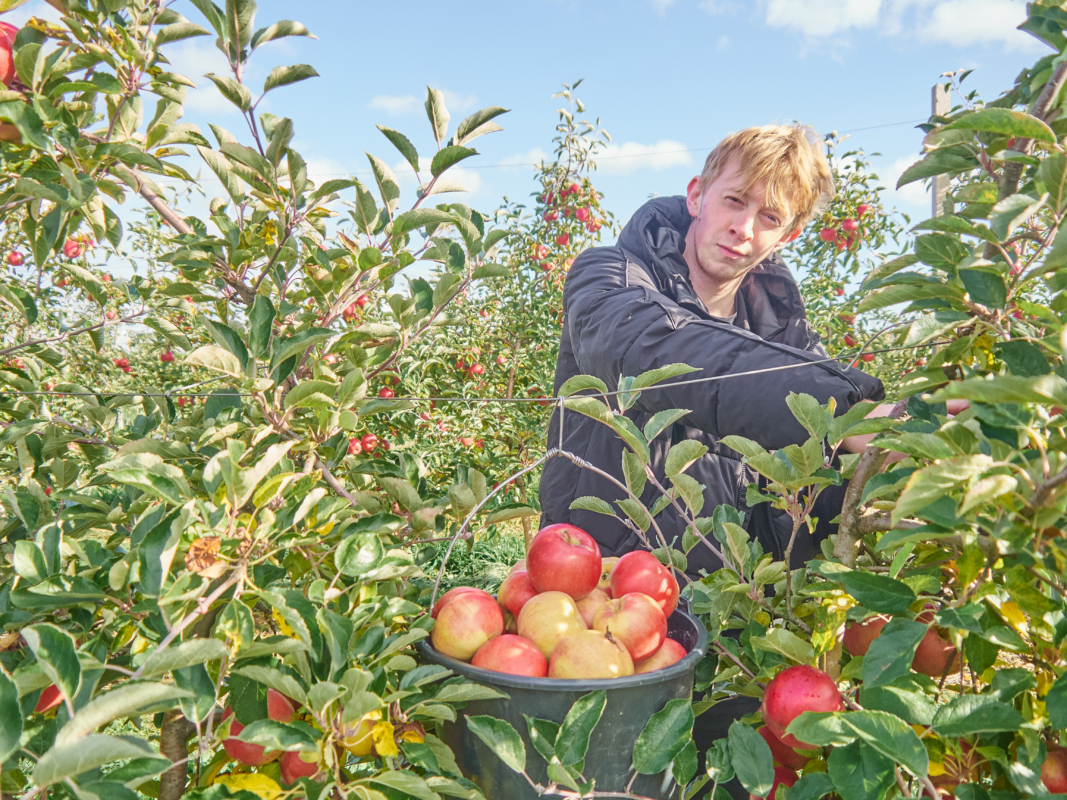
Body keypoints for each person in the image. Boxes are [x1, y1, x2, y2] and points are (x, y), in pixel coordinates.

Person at [536, 123, 886, 797]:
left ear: (785, 237)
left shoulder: (784, 339)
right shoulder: (606, 276)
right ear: (697, 194)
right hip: (598, 604)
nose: (743, 228)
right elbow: (659, 350)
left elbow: (796, 489)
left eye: (769, 217)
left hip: (728, 625)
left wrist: (911, 471)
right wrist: (844, 411)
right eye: (734, 201)